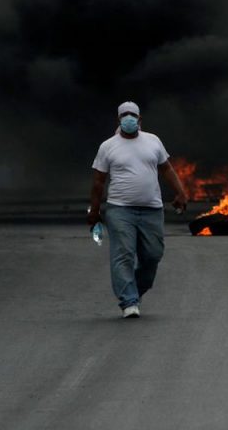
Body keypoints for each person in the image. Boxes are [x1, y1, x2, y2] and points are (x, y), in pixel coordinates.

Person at [88, 101, 188, 318]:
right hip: (119, 209)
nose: (129, 118)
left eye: (133, 114)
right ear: (118, 119)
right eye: (124, 115)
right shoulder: (108, 146)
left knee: (153, 255)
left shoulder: (153, 141)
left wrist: (181, 192)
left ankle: (135, 289)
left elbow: (167, 169)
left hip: (152, 209)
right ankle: (129, 301)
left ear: (140, 119)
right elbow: (98, 182)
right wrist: (93, 211)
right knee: (123, 254)